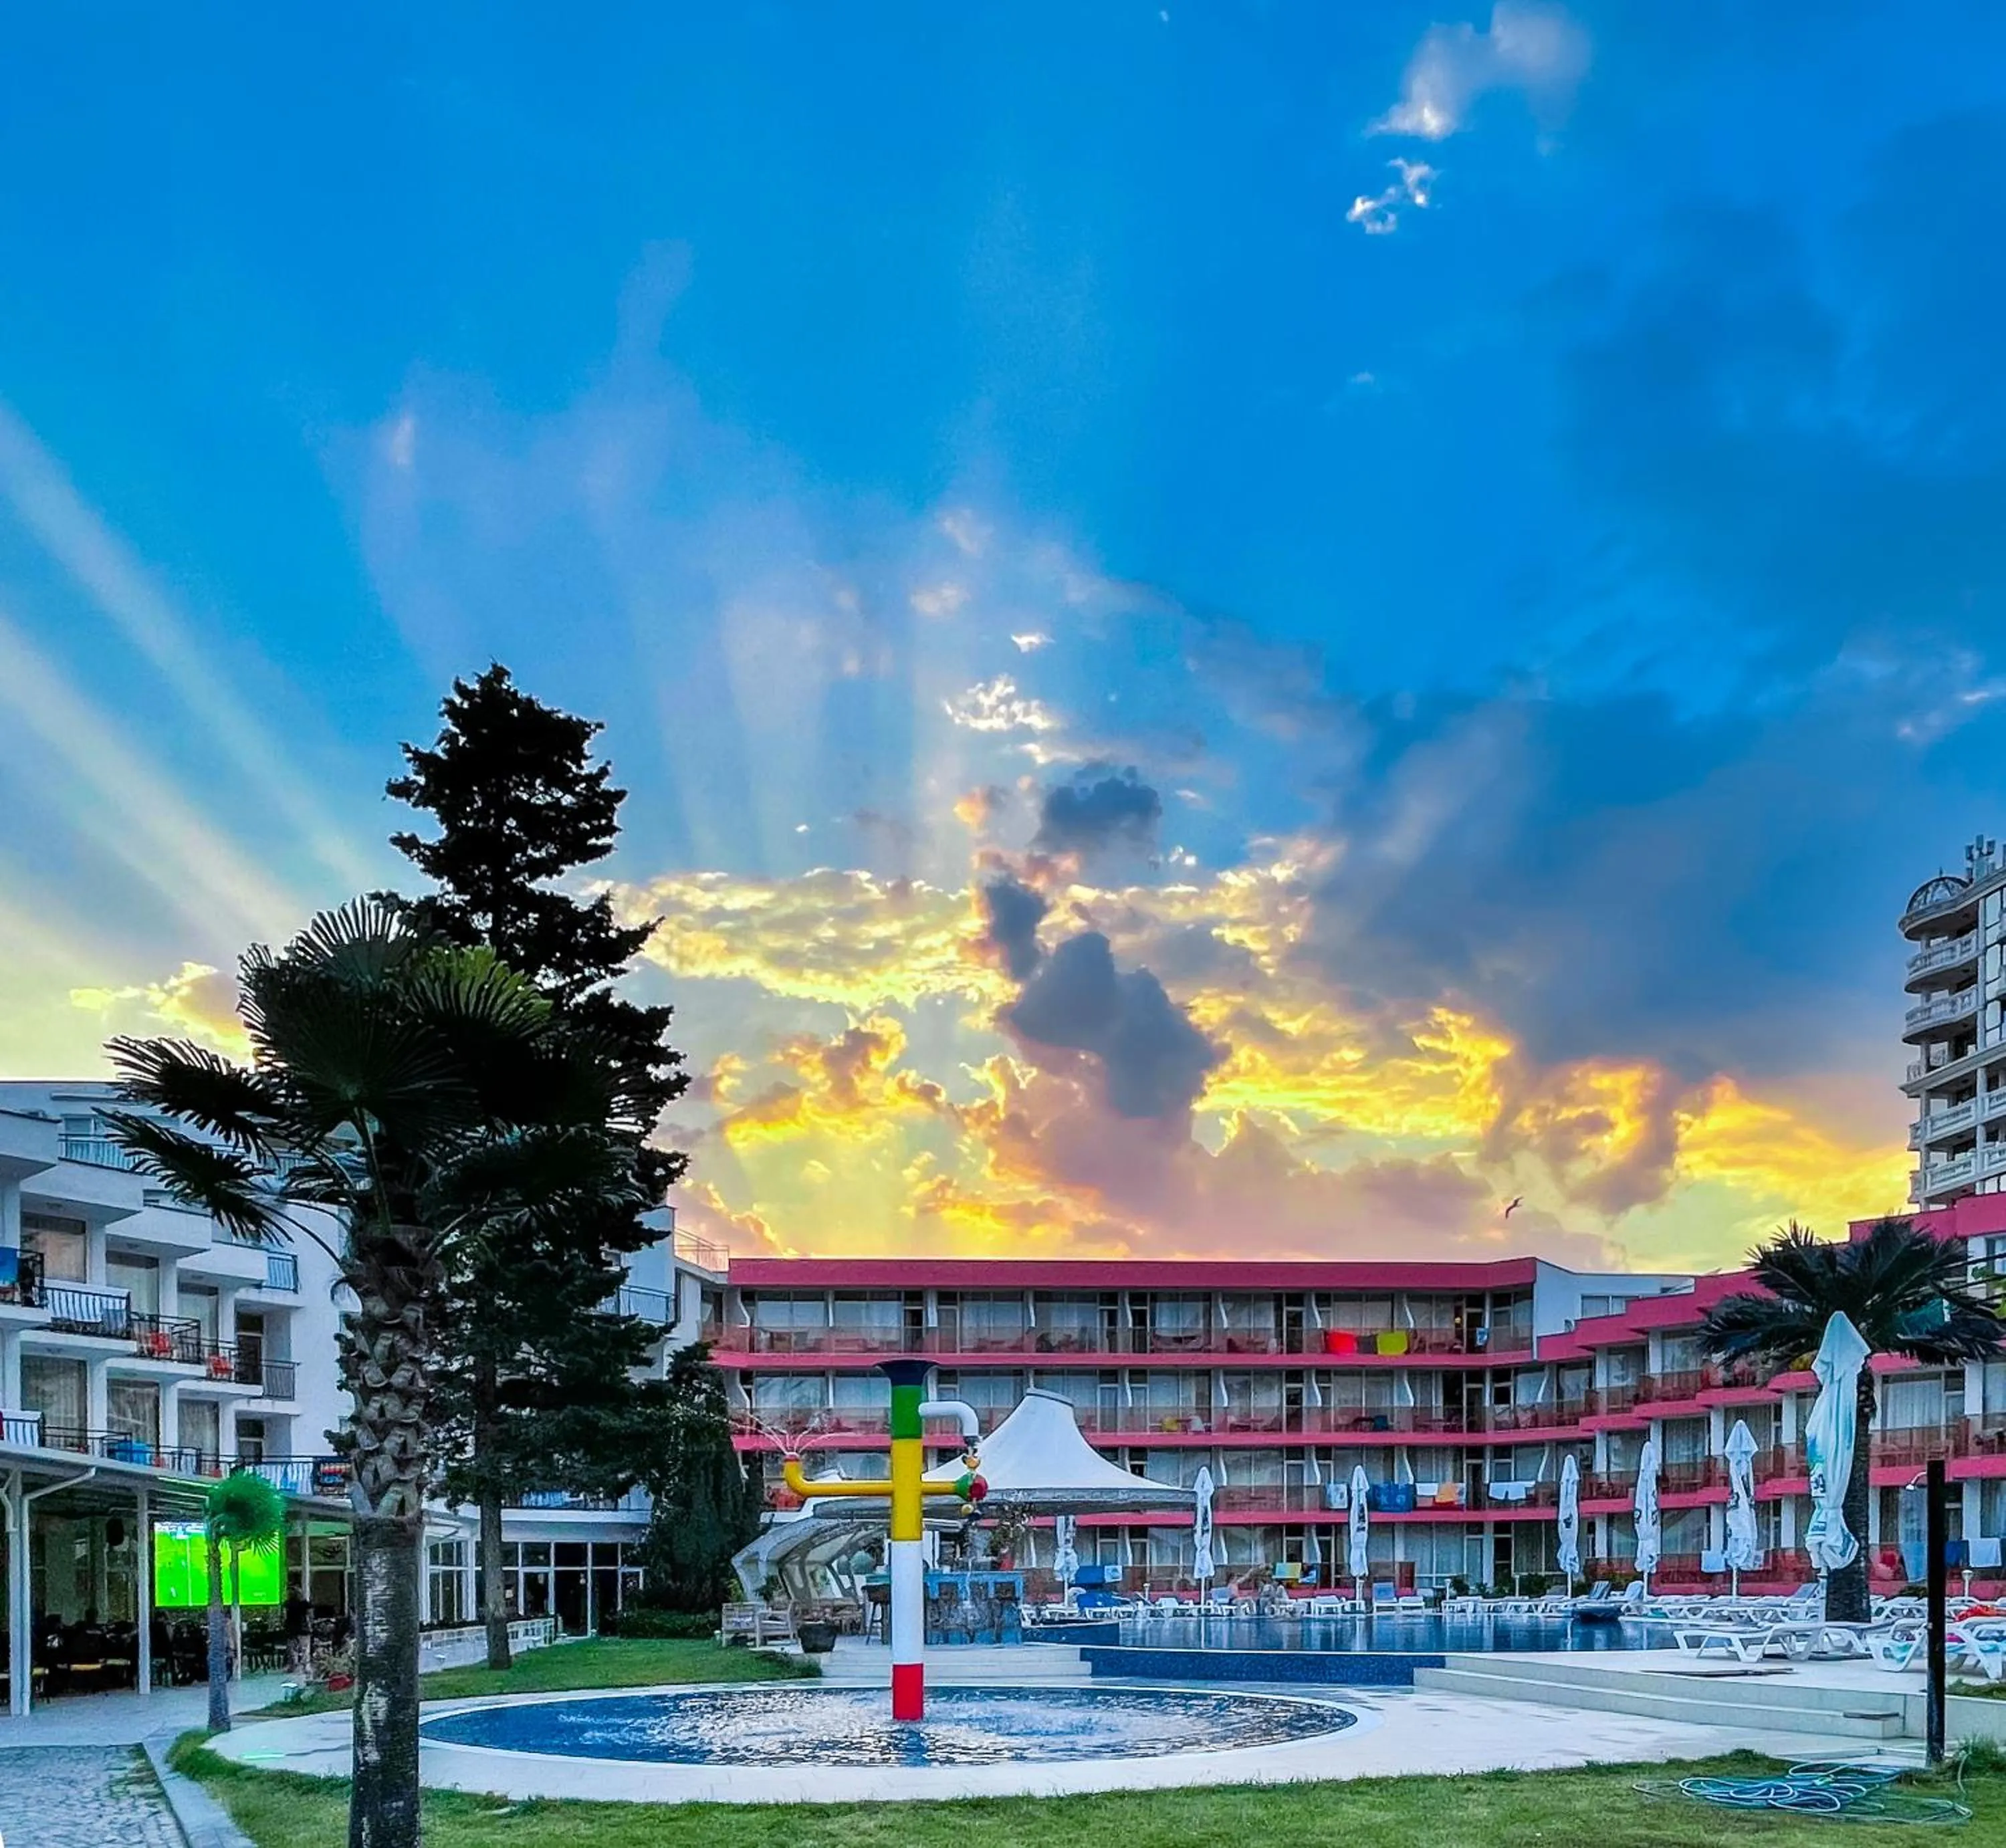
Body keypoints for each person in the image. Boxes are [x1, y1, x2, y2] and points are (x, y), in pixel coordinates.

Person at [282, 1587, 313, 1680]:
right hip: (303, 1629)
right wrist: (311, 1625)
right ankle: (304, 1667)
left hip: (291, 1628)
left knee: (292, 1649)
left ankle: (294, 1666)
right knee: (304, 1650)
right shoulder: (305, 1604)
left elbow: (284, 1616)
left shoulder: (287, 1604)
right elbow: (310, 1615)